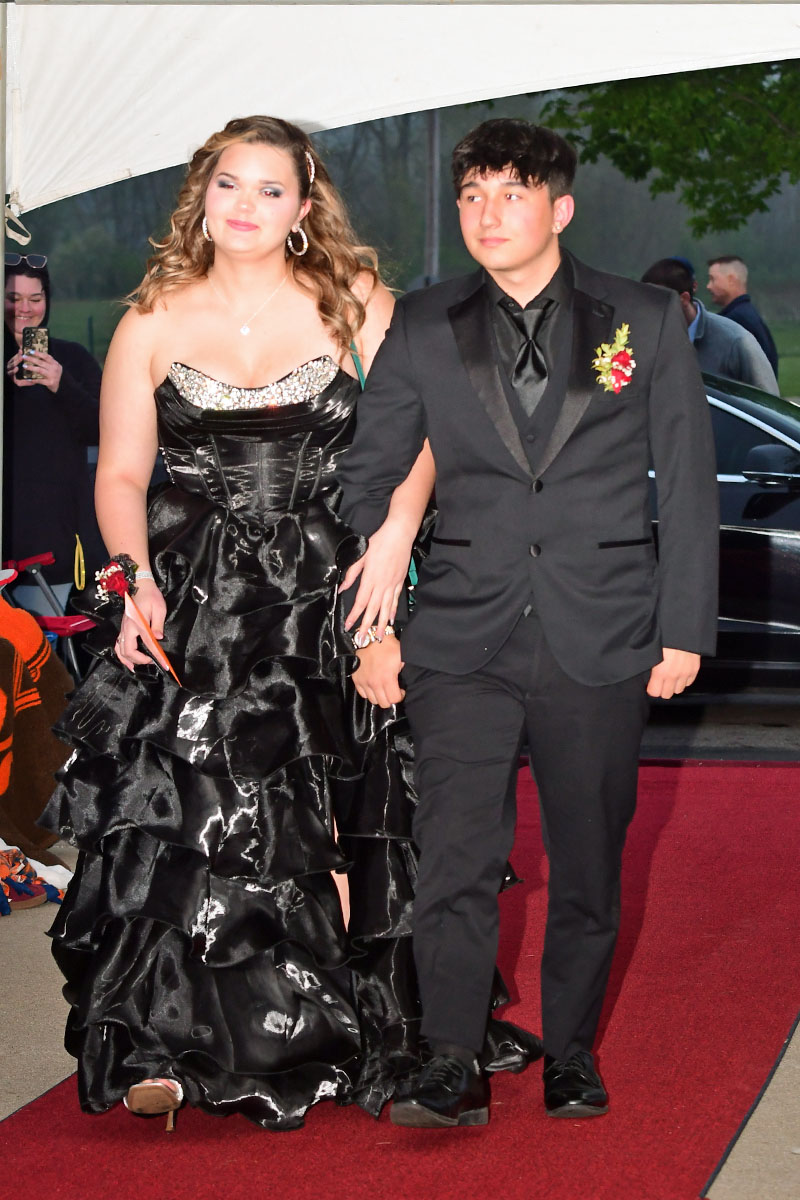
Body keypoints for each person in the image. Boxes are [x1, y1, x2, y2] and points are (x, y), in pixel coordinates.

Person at [39, 115, 535, 1133]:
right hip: (198, 592)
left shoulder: (355, 301)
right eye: (231, 186)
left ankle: (358, 1026)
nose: (248, 208)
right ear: (201, 196)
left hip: (337, 578)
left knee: (348, 807)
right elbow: (125, 471)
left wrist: (395, 537)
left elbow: (428, 433)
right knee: (191, 817)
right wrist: (131, 580)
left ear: (304, 207)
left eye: (271, 190)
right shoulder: (151, 319)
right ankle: (165, 1039)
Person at [338, 118, 719, 1128]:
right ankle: (449, 1060)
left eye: (509, 194)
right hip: (460, 632)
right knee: (453, 854)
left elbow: (683, 483)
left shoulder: (638, 318)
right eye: (470, 197)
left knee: (589, 860)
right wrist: (370, 630)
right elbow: (365, 482)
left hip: (603, 631)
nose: (486, 214)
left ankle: (570, 1053)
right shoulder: (420, 321)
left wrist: (682, 629)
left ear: (557, 207)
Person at [3, 254, 103, 614]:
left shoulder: (73, 359)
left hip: (56, 537)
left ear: (48, 301)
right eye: (13, 298)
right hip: (6, 531)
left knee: (48, 653)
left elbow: (101, 429)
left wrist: (62, 384)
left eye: (35, 298)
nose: (24, 309)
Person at [642, 257, 779, 394]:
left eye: (658, 303)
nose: (650, 311)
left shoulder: (735, 340)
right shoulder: (649, 340)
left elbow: (769, 405)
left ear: (683, 299)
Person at [706, 255, 778, 376]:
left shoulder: (736, 321)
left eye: (713, 279)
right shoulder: (747, 314)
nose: (708, 286)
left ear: (731, 280)